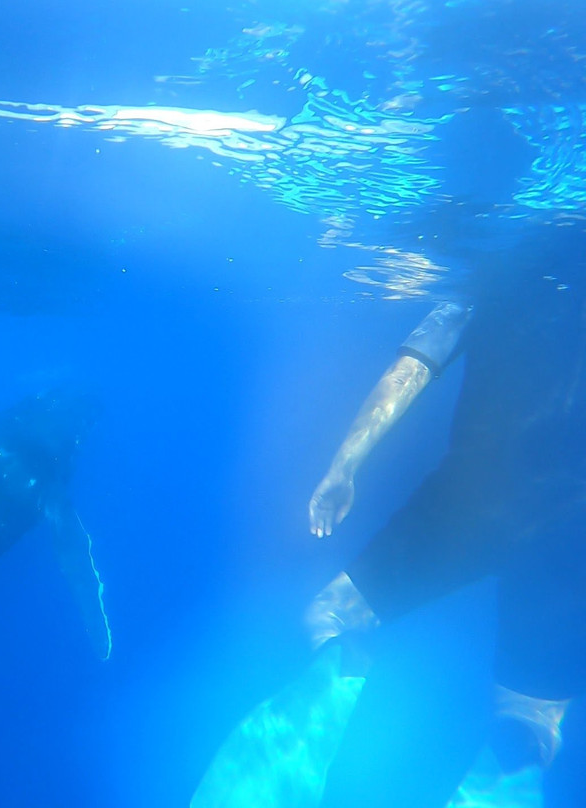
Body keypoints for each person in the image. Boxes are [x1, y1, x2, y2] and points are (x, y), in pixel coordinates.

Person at [192, 269, 586, 808]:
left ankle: (323, 722)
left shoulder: (500, 269)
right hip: (570, 531)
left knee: (330, 614)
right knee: (531, 714)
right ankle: (502, 783)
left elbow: (410, 369)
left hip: (468, 504)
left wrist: (343, 467)